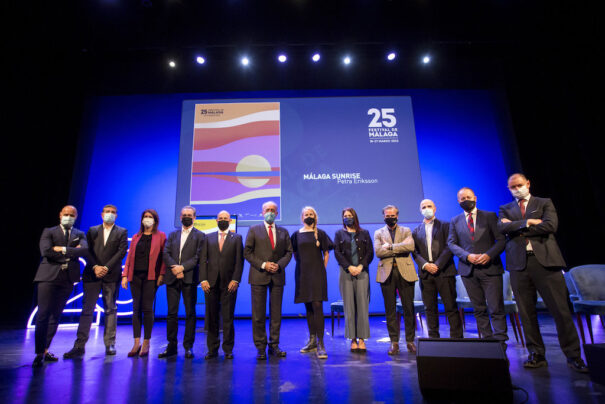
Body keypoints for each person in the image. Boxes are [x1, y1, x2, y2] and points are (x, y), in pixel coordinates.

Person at [498, 173, 588, 372]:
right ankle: (536, 354)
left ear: (528, 184)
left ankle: (574, 356)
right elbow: (501, 229)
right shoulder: (505, 208)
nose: (516, 189)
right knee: (526, 314)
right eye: (512, 187)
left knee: (560, 311)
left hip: (546, 263)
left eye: (519, 185)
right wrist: (530, 222)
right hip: (519, 265)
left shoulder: (544, 202)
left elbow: (550, 226)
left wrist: (516, 228)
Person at [64, 204, 128, 358]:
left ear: (116, 216)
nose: (110, 214)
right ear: (102, 214)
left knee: (110, 309)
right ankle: (79, 346)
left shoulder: (122, 232)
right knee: (87, 310)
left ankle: (110, 344)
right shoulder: (92, 231)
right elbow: (87, 251)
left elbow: (121, 252)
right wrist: (95, 267)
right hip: (92, 275)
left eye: (113, 212)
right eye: (107, 212)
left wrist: (105, 267)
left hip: (111, 276)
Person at [447, 187, 508, 349]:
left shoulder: (489, 216)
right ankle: (489, 344)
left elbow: (501, 240)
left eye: (468, 197)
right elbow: (451, 243)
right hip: (468, 270)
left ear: (475, 198)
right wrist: (467, 256)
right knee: (479, 309)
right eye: (462, 198)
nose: (466, 200)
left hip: (490, 268)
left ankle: (501, 343)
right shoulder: (455, 220)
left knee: (496, 308)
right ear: (458, 201)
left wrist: (489, 255)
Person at [32, 205, 88, 367]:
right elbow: (46, 252)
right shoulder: (49, 231)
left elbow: (83, 251)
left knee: (55, 316)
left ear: (76, 217)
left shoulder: (79, 234)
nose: (69, 217)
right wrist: (71, 251)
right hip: (48, 277)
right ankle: (38, 352)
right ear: (60, 215)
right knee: (43, 314)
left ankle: (46, 350)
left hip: (67, 279)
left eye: (72, 215)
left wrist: (62, 249)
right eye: (66, 214)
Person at [244, 201, 293, 360]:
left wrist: (278, 266)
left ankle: (274, 345)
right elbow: (248, 252)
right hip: (258, 276)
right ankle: (260, 347)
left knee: (276, 314)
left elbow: (288, 253)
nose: (270, 212)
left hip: (277, 277)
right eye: (267, 210)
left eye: (273, 210)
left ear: (277, 213)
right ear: (262, 212)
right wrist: (264, 265)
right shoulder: (253, 229)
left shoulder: (283, 232)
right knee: (258, 314)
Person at [412, 199, 463, 339]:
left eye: (429, 206)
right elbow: (415, 252)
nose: (426, 209)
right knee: (429, 308)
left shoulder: (446, 225)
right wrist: (426, 265)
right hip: (426, 274)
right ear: (420, 210)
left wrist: (437, 265)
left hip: (445, 272)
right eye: (423, 207)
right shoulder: (416, 231)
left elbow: (450, 246)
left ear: (435, 209)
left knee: (450, 306)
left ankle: (457, 339)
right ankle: (434, 339)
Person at [160, 206, 206, 359]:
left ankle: (188, 346)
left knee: (190, 313)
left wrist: (182, 267)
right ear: (180, 217)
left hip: (189, 278)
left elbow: (198, 257)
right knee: (171, 313)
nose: (186, 217)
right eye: (184, 215)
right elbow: (165, 253)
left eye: (189, 215)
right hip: (172, 278)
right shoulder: (172, 235)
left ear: (194, 218)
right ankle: (171, 345)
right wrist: (174, 267)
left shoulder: (200, 236)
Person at [121, 209, 166, 357]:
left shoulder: (161, 236)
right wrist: (125, 275)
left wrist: (161, 275)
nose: (147, 219)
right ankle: (136, 342)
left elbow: (163, 258)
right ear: (141, 220)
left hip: (151, 277)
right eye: (145, 217)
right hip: (135, 277)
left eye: (150, 217)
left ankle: (146, 342)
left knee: (147, 308)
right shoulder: (136, 237)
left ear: (155, 220)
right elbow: (129, 257)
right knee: (136, 308)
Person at [374, 204, 418, 355]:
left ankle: (410, 341)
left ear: (397, 216)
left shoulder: (406, 231)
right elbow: (379, 252)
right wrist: (399, 247)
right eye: (387, 215)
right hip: (386, 273)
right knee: (390, 309)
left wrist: (391, 247)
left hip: (405, 271)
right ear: (384, 216)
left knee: (408, 308)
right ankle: (394, 342)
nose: (390, 218)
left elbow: (410, 247)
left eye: (392, 216)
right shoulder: (378, 232)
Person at [200, 210, 243, 360]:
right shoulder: (207, 237)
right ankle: (212, 349)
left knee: (228, 317)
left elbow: (239, 261)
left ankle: (228, 349)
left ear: (230, 221)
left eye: (226, 218)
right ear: (216, 220)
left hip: (229, 284)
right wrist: (203, 279)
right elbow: (203, 260)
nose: (223, 220)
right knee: (211, 317)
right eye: (220, 218)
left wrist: (235, 280)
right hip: (210, 284)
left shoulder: (237, 238)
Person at [291, 207, 333, 359]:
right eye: (306, 215)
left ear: (315, 217)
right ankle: (312, 341)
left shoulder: (320, 234)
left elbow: (326, 253)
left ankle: (321, 343)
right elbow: (295, 254)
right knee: (308, 306)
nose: (309, 216)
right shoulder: (296, 235)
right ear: (302, 218)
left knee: (317, 306)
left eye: (311, 214)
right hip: (302, 274)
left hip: (317, 274)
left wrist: (321, 268)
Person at [333, 207, 374, 352]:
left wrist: (361, 266)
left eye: (350, 215)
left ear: (355, 217)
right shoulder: (339, 234)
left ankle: (362, 338)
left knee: (363, 306)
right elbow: (337, 253)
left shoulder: (365, 233)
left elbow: (370, 252)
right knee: (349, 307)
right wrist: (349, 267)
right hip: (346, 273)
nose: (347, 217)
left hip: (362, 272)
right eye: (345, 216)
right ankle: (353, 339)